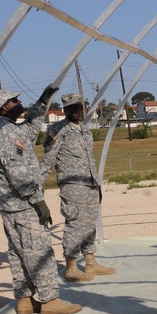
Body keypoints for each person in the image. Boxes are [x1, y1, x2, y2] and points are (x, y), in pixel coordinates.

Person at [0, 87, 81, 314]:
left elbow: (30, 128)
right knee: (39, 251)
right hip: (23, 204)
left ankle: (25, 300)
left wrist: (42, 102)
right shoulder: (8, 134)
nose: (20, 102)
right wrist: (38, 201)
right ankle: (50, 300)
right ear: (5, 106)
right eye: (15, 100)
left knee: (18, 252)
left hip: (9, 205)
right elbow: (19, 173)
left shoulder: (2, 128)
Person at [42, 93, 115, 282]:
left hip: (91, 184)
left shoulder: (84, 130)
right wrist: (37, 187)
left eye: (77, 107)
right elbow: (48, 160)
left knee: (90, 224)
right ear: (64, 110)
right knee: (75, 224)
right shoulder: (57, 130)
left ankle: (90, 262)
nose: (75, 110)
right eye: (70, 108)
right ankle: (71, 266)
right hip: (73, 186)